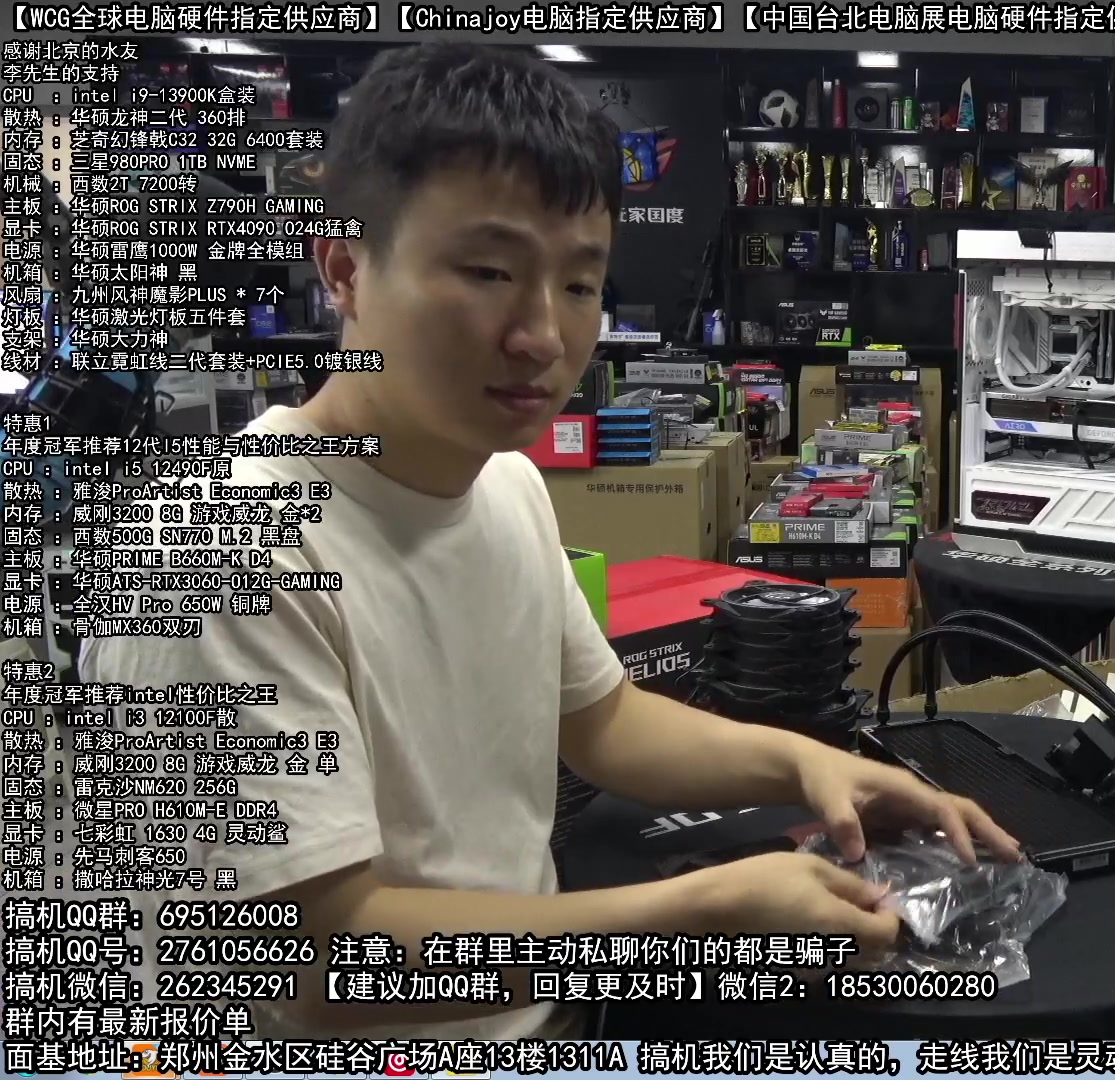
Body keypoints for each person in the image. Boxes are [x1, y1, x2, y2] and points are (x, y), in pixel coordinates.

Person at [81, 42, 1019, 1040]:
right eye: (488, 271)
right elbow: (314, 969)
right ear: (346, 269)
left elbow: (604, 721)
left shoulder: (504, 484)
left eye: (578, 284)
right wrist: (699, 915)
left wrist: (812, 766)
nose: (541, 334)